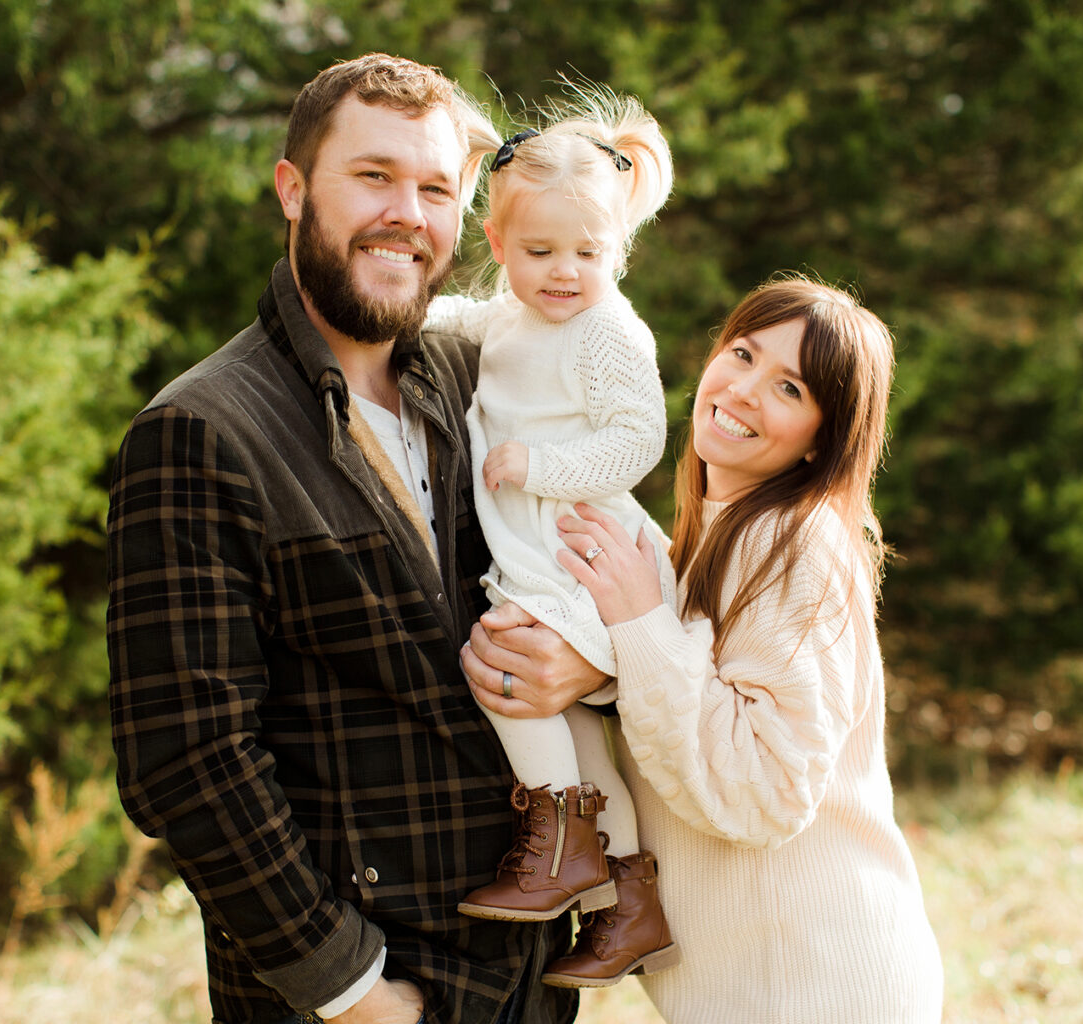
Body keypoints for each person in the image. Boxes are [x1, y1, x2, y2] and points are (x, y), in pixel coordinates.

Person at [106, 53, 606, 1024]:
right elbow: (188, 761)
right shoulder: (203, 433)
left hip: (521, 982)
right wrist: (355, 991)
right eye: (373, 176)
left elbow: (595, 559)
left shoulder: (481, 378)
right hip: (354, 999)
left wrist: (587, 665)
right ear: (294, 190)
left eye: (433, 188)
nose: (406, 214)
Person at [476, 275, 945, 1021]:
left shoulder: (796, 545)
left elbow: (764, 792)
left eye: (790, 388)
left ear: (825, 435)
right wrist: (591, 662)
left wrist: (633, 629)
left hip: (814, 986)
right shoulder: (713, 539)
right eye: (743, 354)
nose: (746, 390)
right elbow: (685, 695)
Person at [420, 89, 679, 989]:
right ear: (498, 246)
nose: (564, 271)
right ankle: (629, 901)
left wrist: (539, 464)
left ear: (619, 250)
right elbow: (472, 322)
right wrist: (413, 315)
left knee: (506, 673)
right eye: (538, 253)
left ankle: (563, 836)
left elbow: (638, 440)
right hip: (535, 546)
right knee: (572, 718)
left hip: (578, 548)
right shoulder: (518, 312)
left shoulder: (609, 330)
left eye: (589, 253)